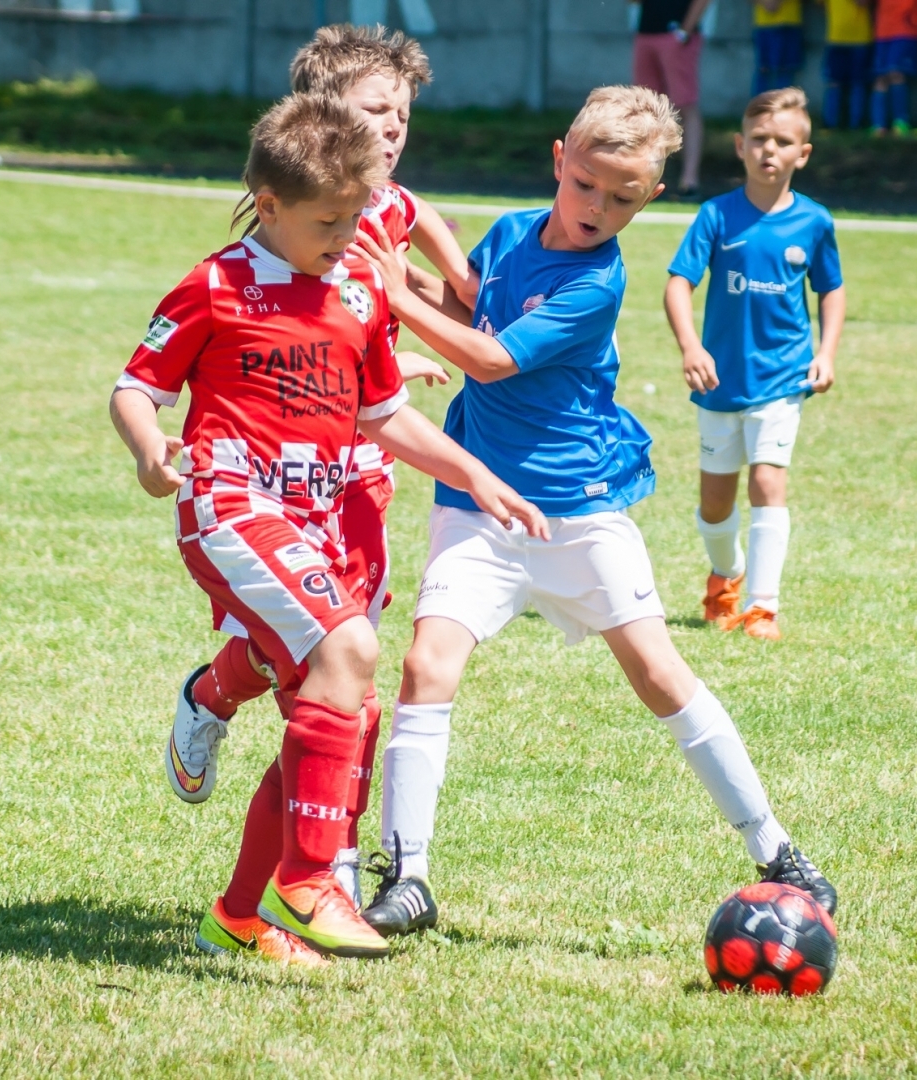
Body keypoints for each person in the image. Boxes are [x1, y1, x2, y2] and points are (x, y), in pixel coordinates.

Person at [349, 85, 837, 939]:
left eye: (622, 199)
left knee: (660, 676)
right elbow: (475, 303)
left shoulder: (597, 282)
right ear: (558, 162)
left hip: (576, 511)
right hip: (477, 503)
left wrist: (394, 296)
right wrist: (403, 274)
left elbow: (492, 358)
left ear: (650, 198)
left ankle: (776, 848)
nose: (597, 210)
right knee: (427, 666)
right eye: (585, 187)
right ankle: (410, 875)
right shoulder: (509, 233)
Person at [111, 94, 545, 962]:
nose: (350, 236)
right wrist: (150, 449)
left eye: (357, 216)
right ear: (268, 206)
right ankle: (311, 881)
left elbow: (384, 417)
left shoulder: (353, 290)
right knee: (349, 653)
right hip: (232, 508)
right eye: (329, 221)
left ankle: (238, 917)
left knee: (340, 708)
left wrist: (479, 478)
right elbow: (135, 386)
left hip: (319, 523)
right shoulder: (215, 284)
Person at [161, 24, 470, 933]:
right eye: (378, 111)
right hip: (268, 486)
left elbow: (448, 289)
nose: (395, 129)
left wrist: (402, 351)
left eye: (404, 114)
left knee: (344, 680)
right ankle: (300, 874)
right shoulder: (291, 224)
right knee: (332, 671)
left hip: (361, 473)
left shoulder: (393, 208)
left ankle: (259, 902)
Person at [664, 87, 845, 643]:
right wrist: (692, 347)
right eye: (760, 140)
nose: (770, 150)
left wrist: (826, 352)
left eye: (783, 142)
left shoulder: (814, 223)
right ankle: (726, 574)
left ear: (803, 153)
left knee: (768, 482)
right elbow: (678, 284)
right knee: (714, 504)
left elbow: (830, 290)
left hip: (782, 378)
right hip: (721, 382)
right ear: (740, 147)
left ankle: (763, 607)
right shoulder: (717, 215)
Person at [633, 0, 712, 195]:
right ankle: (648, 177)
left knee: (684, 105)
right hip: (646, 32)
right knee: (646, 109)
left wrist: (685, 30)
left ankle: (689, 180)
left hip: (677, 35)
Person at [870, 0, 917, 134]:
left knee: (896, 74)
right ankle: (878, 126)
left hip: (906, 30)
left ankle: (900, 122)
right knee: (880, 78)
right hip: (882, 31)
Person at [822, 0, 875, 129]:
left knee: (858, 83)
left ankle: (855, 125)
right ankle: (830, 125)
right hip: (835, 38)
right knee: (834, 83)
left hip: (860, 40)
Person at [754, 0, 807, 95]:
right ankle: (759, 108)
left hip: (789, 23)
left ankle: (782, 107)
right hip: (765, 24)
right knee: (763, 68)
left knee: (785, 69)